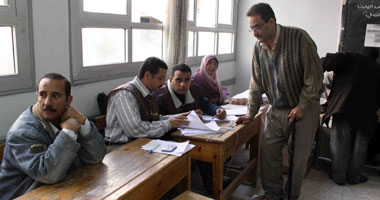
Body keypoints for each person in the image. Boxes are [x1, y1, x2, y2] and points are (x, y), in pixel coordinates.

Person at [237, 3, 323, 200]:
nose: (254, 33)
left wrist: (302, 106)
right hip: (276, 109)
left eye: (257, 27)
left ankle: (291, 197)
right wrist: (250, 114)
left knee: (297, 161)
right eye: (251, 28)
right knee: (268, 154)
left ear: (272, 22)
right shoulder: (258, 48)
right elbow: (256, 84)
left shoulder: (299, 38)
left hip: (304, 109)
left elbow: (314, 77)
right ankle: (273, 195)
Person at [0, 73, 107, 200]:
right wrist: (68, 132)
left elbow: (96, 157)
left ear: (68, 100)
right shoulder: (22, 131)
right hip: (24, 195)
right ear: (37, 96)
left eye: (55, 96)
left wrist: (82, 121)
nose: (47, 102)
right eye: (42, 95)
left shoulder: (67, 118)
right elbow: (48, 173)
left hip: (60, 190)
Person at [322, 52, 380, 185]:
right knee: (360, 145)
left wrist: (317, 67)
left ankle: (339, 176)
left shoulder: (351, 57)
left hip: (343, 106)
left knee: (339, 142)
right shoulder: (377, 69)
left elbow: (329, 61)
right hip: (367, 112)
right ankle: (354, 177)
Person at [105, 57, 189, 144]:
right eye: (160, 78)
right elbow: (135, 130)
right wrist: (168, 124)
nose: (163, 82)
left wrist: (181, 117)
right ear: (147, 75)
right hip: (120, 147)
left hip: (141, 143)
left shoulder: (149, 93)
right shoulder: (125, 95)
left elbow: (154, 119)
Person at [158, 63, 226, 119]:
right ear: (171, 80)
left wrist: (217, 109)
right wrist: (188, 116)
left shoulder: (194, 88)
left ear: (191, 80)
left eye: (187, 80)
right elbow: (159, 120)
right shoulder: (161, 94)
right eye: (178, 80)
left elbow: (206, 105)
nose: (183, 84)